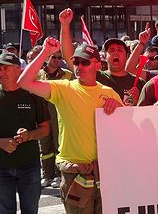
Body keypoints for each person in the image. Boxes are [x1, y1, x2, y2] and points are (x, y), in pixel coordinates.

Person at [18, 38, 123, 214]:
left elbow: (126, 129)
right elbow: (24, 82)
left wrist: (120, 110)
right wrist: (45, 52)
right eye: (76, 61)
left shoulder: (109, 93)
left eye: (85, 62)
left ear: (98, 65)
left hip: (105, 172)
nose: (79, 66)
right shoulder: (64, 88)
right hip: (75, 172)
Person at [59, 8, 146, 105]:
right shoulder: (95, 76)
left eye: (120, 50)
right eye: (111, 50)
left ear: (127, 56)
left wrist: (138, 101)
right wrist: (65, 25)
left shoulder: (139, 82)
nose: (115, 53)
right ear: (105, 56)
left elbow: (147, 112)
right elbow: (69, 57)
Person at [0, 52, 50, 214]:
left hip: (29, 166)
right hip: (1, 167)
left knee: (30, 210)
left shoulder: (33, 93)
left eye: (5, 68)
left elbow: (45, 129)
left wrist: (29, 135)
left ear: (18, 70)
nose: (1, 72)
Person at [37, 50, 73, 189]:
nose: (57, 59)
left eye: (59, 57)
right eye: (54, 57)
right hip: (42, 115)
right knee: (45, 147)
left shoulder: (67, 75)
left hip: (60, 114)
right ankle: (47, 175)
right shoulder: (39, 74)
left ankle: (59, 175)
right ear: (47, 58)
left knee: (59, 144)